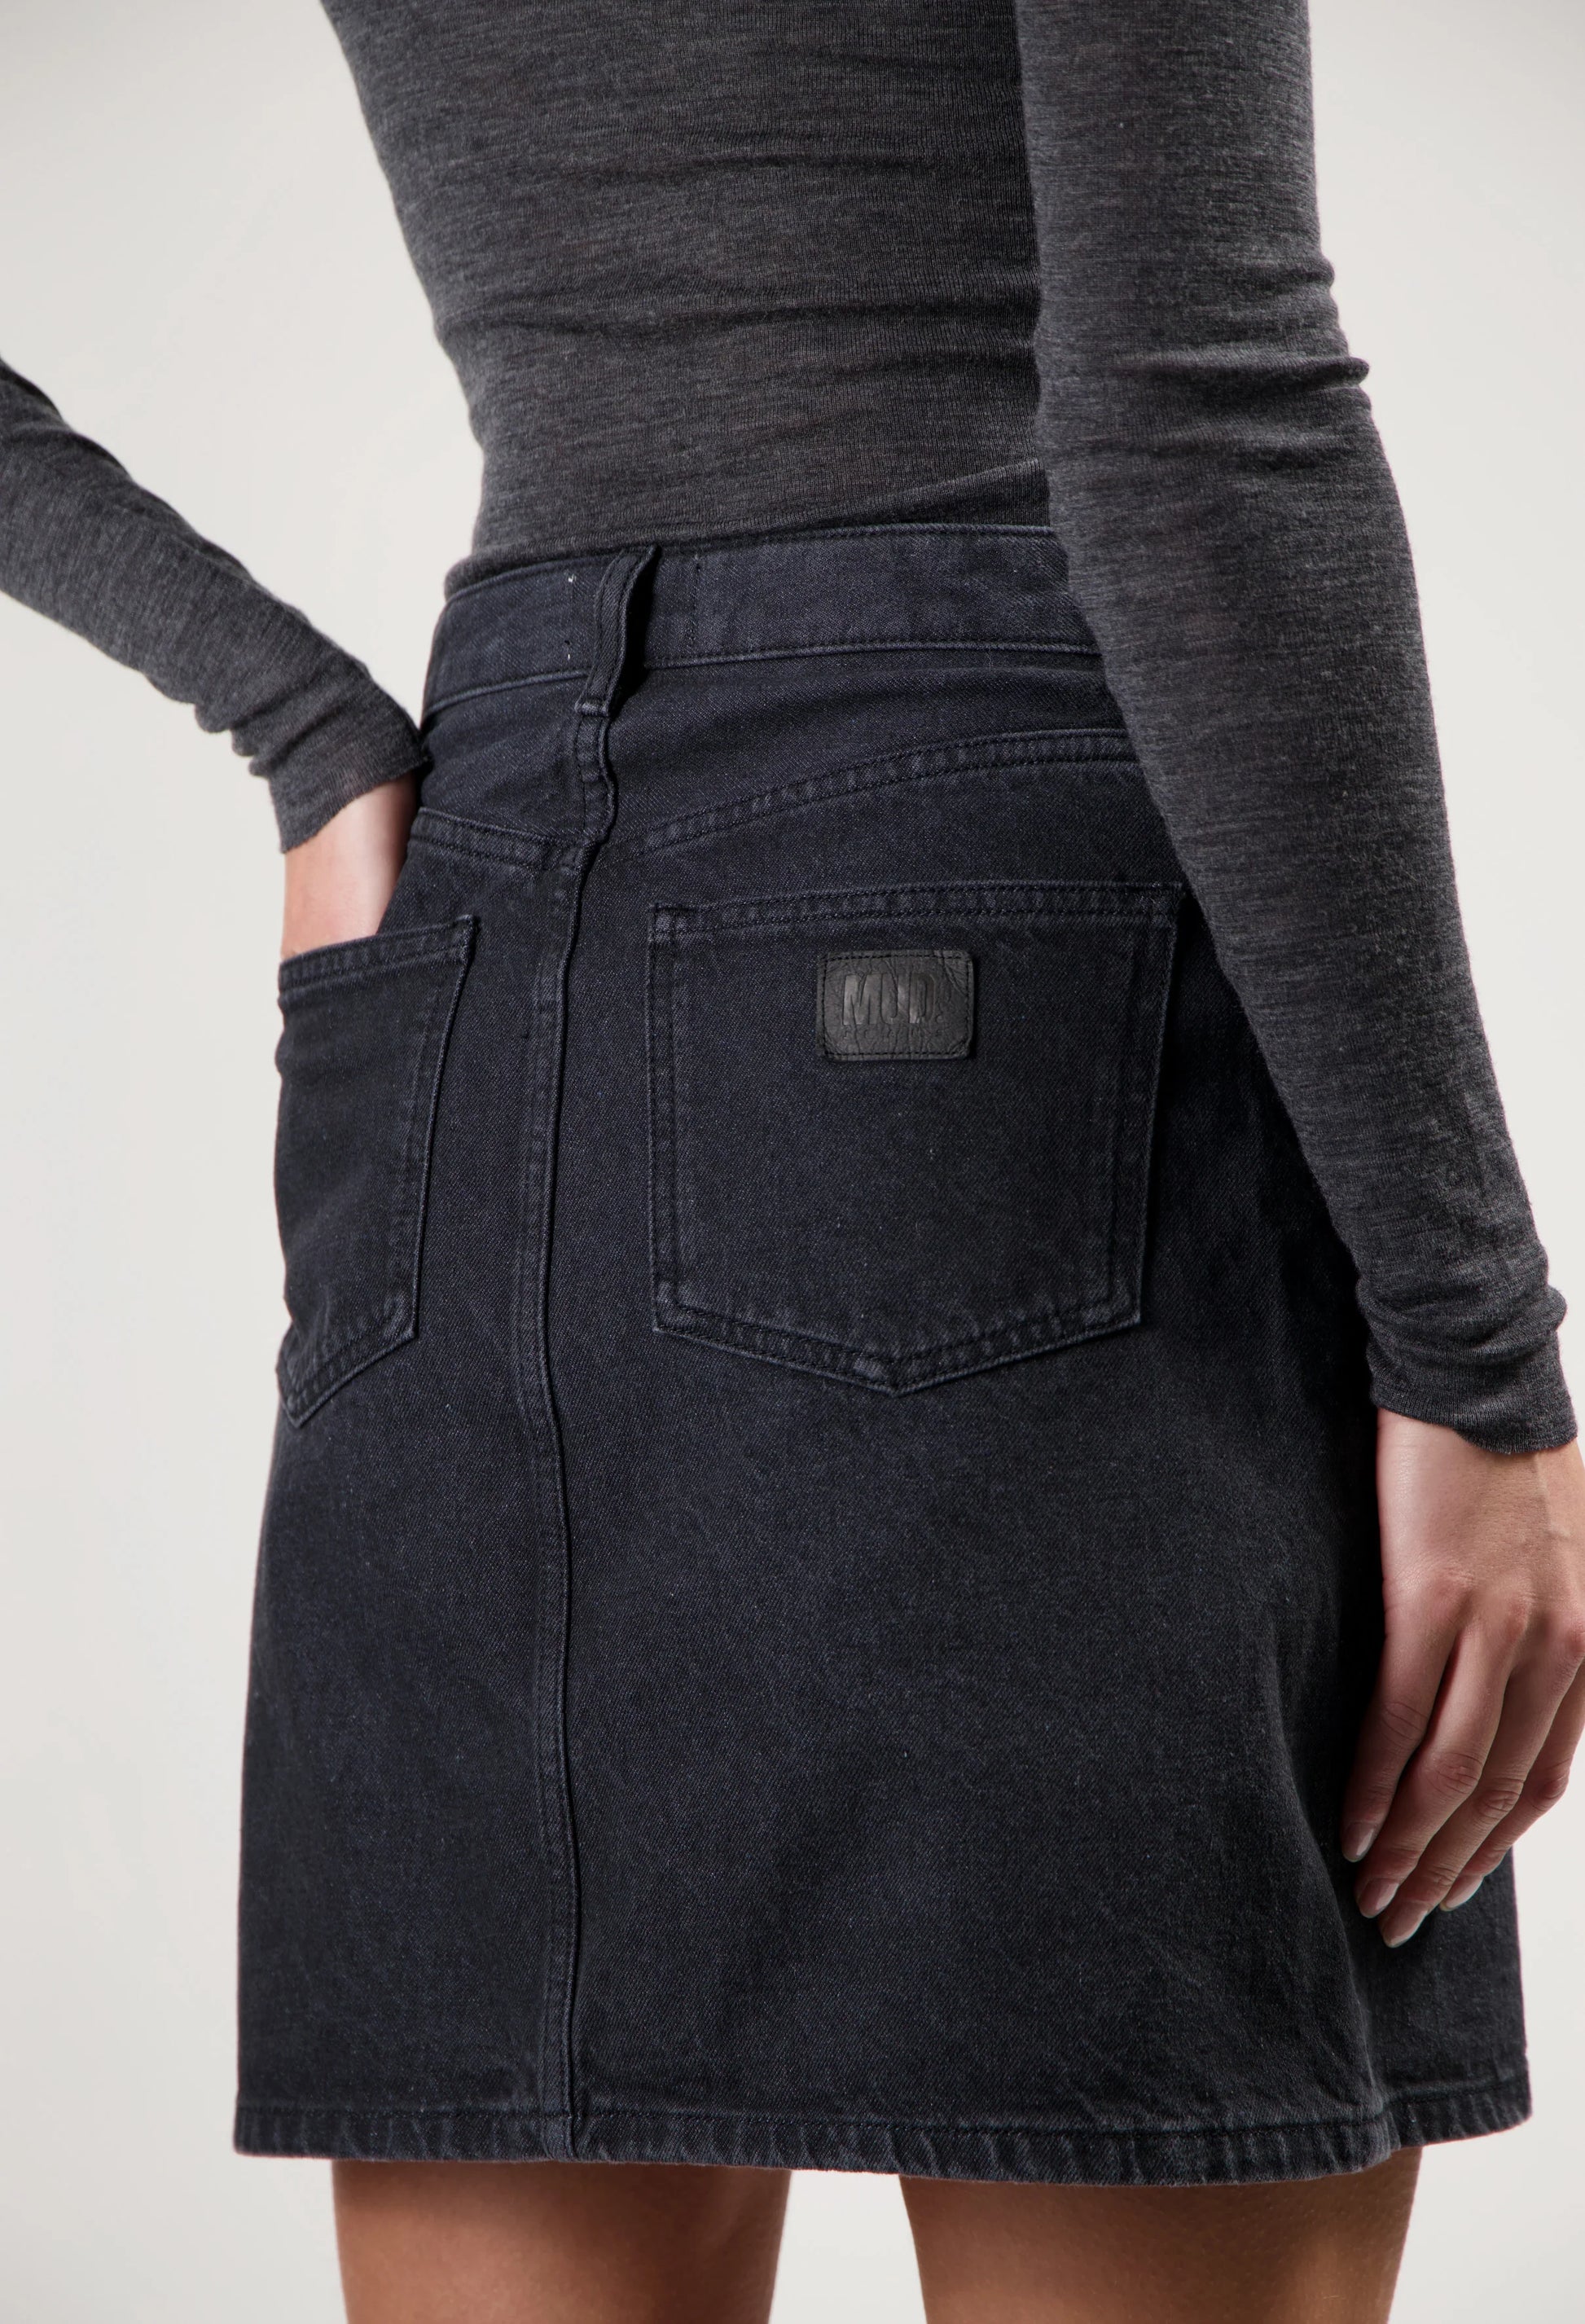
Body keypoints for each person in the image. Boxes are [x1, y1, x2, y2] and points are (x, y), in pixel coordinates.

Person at [4, 2, 1583, 2319]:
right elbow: (1197, 409)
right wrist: (1477, 1356)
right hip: (1019, 915)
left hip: (508, 923)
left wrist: (312, 728)